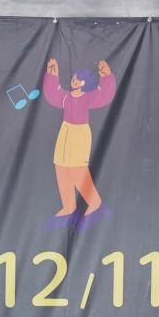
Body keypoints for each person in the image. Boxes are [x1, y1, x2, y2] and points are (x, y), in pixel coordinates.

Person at [41, 57, 116, 218]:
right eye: (74, 78)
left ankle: (94, 201)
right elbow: (54, 95)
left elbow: (104, 95)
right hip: (65, 131)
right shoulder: (66, 97)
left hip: (80, 133)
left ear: (85, 83)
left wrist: (106, 76)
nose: (75, 80)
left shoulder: (87, 97)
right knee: (61, 166)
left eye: (79, 79)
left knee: (76, 169)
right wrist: (52, 75)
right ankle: (68, 205)